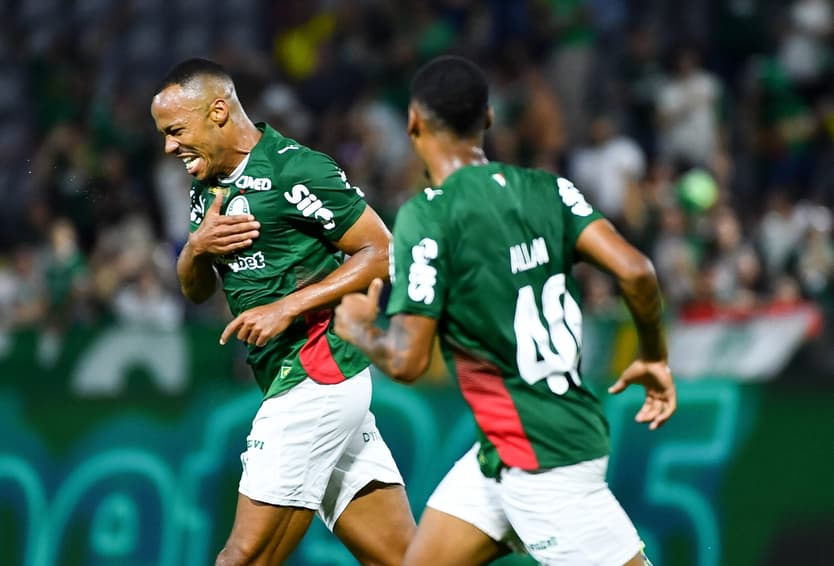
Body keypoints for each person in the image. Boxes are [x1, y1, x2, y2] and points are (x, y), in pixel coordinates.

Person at [334, 55, 675, 566]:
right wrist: (654, 356)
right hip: (504, 451)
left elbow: (406, 360)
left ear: (413, 122)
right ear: (488, 118)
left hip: (543, 462)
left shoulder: (429, 215)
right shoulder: (549, 189)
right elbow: (638, 273)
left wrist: (361, 330)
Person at [150, 58, 415, 566]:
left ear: (219, 111)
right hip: (304, 381)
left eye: (176, 131)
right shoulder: (206, 185)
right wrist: (194, 249)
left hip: (315, 374)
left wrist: (286, 307)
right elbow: (196, 291)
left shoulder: (297, 169)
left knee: (241, 558)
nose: (168, 147)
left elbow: (382, 250)